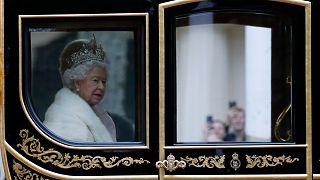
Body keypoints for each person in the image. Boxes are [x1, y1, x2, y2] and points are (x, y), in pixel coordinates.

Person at [43, 35, 116, 143]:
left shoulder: (101, 116)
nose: (101, 87)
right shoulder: (65, 118)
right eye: (95, 81)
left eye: (104, 82)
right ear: (77, 82)